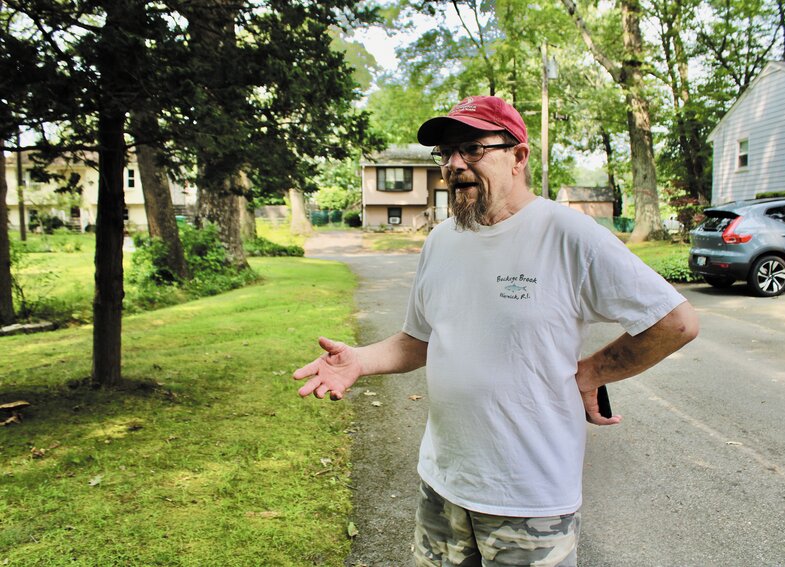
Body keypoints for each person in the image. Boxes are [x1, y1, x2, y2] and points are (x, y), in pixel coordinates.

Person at [293, 95, 699, 566]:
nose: (455, 164)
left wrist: (591, 373)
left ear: (519, 156)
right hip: (443, 485)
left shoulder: (568, 234)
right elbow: (419, 339)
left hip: (530, 501)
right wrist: (360, 361)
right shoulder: (442, 241)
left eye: (471, 149)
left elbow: (676, 322)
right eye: (445, 154)